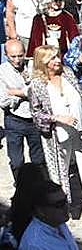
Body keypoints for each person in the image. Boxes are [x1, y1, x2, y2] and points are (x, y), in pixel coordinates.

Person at [29, 45, 82, 212]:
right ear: (43, 62)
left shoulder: (67, 73)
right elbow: (36, 113)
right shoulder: (37, 84)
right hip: (58, 133)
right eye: (53, 58)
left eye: (58, 56)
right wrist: (56, 118)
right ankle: (62, 202)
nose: (58, 60)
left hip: (79, 128)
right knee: (60, 168)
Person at [0, 40, 42, 178]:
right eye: (13, 56)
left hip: (34, 118)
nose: (17, 60)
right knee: (16, 161)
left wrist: (16, 92)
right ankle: (20, 185)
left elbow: (39, 90)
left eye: (20, 55)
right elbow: (4, 101)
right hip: (14, 119)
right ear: (6, 55)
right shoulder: (2, 72)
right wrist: (26, 93)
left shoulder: (32, 66)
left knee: (38, 159)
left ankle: (38, 185)